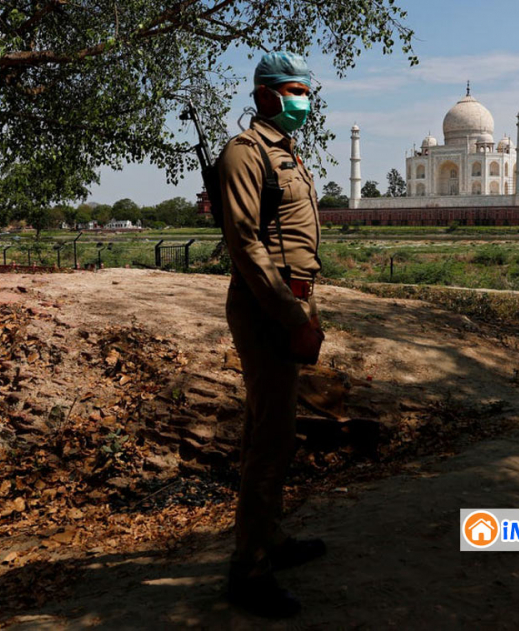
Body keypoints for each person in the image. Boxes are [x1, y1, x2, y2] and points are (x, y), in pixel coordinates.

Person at [218, 51, 327, 618]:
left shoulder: (284, 153)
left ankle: (270, 540)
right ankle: (249, 572)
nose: (303, 101)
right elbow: (245, 243)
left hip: (290, 298)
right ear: (264, 96)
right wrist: (293, 317)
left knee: (267, 429)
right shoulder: (245, 152)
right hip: (269, 306)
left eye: (306, 91)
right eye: (293, 90)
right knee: (272, 439)